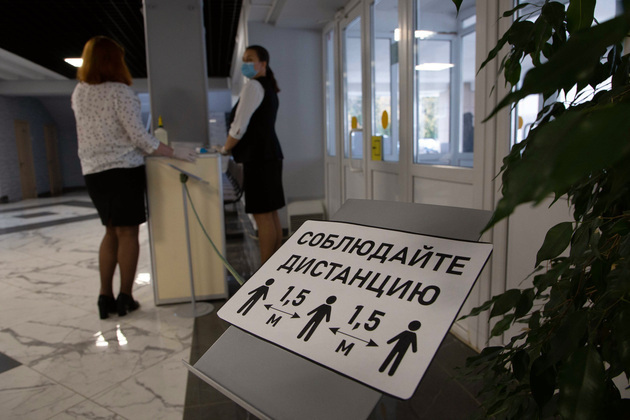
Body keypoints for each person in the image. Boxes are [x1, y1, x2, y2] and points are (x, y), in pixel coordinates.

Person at [71, 36, 195, 319]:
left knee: (110, 231)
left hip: (93, 172)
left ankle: (104, 297)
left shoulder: (79, 92)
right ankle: (126, 297)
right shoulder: (121, 92)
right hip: (123, 170)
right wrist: (174, 152)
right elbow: (139, 137)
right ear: (115, 61)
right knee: (128, 233)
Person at [216, 45, 285, 265]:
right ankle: (275, 267)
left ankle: (266, 270)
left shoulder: (254, 86)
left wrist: (225, 148)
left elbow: (239, 125)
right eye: (244, 59)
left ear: (263, 63)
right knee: (271, 215)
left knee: (263, 216)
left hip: (258, 158)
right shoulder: (268, 87)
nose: (245, 63)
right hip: (270, 155)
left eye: (250, 59)